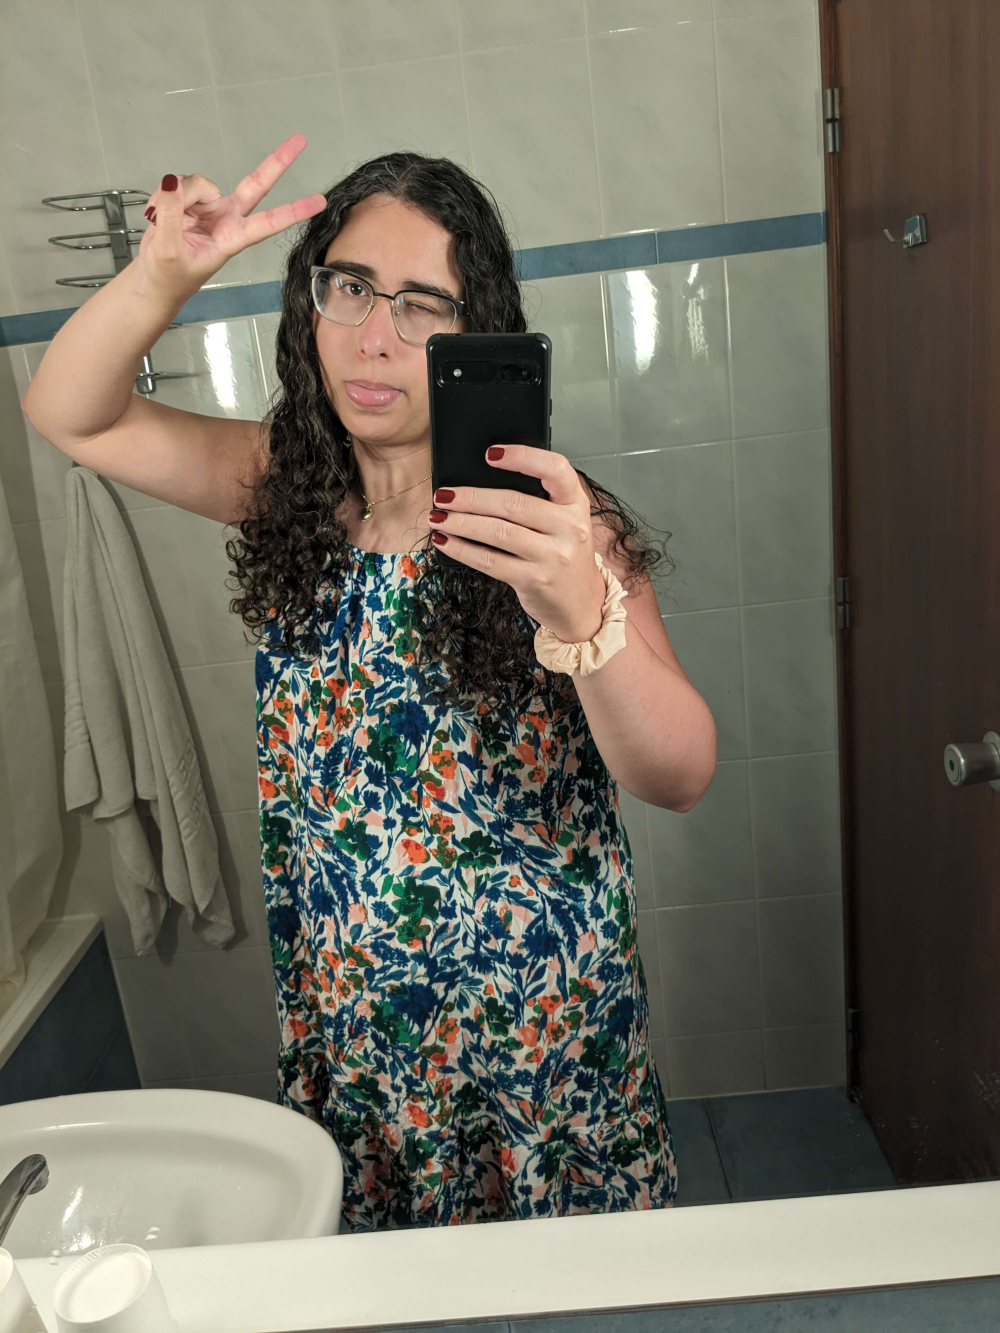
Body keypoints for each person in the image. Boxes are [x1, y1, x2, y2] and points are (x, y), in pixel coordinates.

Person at [22, 133, 717, 1231]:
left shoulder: (549, 521)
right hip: (362, 1029)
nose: (374, 338)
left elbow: (677, 772)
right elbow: (73, 412)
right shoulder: (283, 489)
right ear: (311, 300)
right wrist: (162, 274)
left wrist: (583, 614)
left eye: (421, 305)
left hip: (535, 1027)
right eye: (348, 287)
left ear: (469, 333)